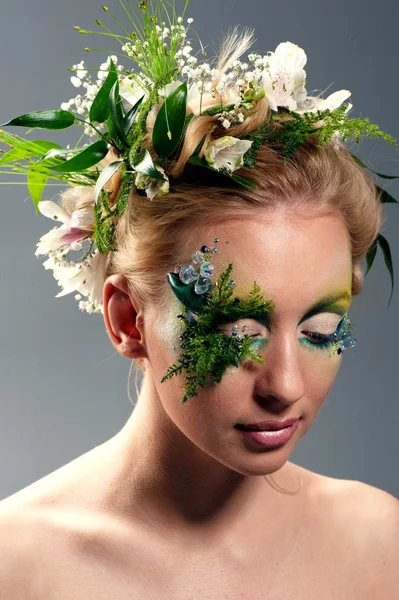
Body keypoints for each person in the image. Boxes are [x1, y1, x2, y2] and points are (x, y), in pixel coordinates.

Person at [0, 2, 398, 597]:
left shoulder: (379, 541)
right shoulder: (17, 565)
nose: (284, 386)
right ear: (128, 318)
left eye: (319, 330)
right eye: (238, 332)